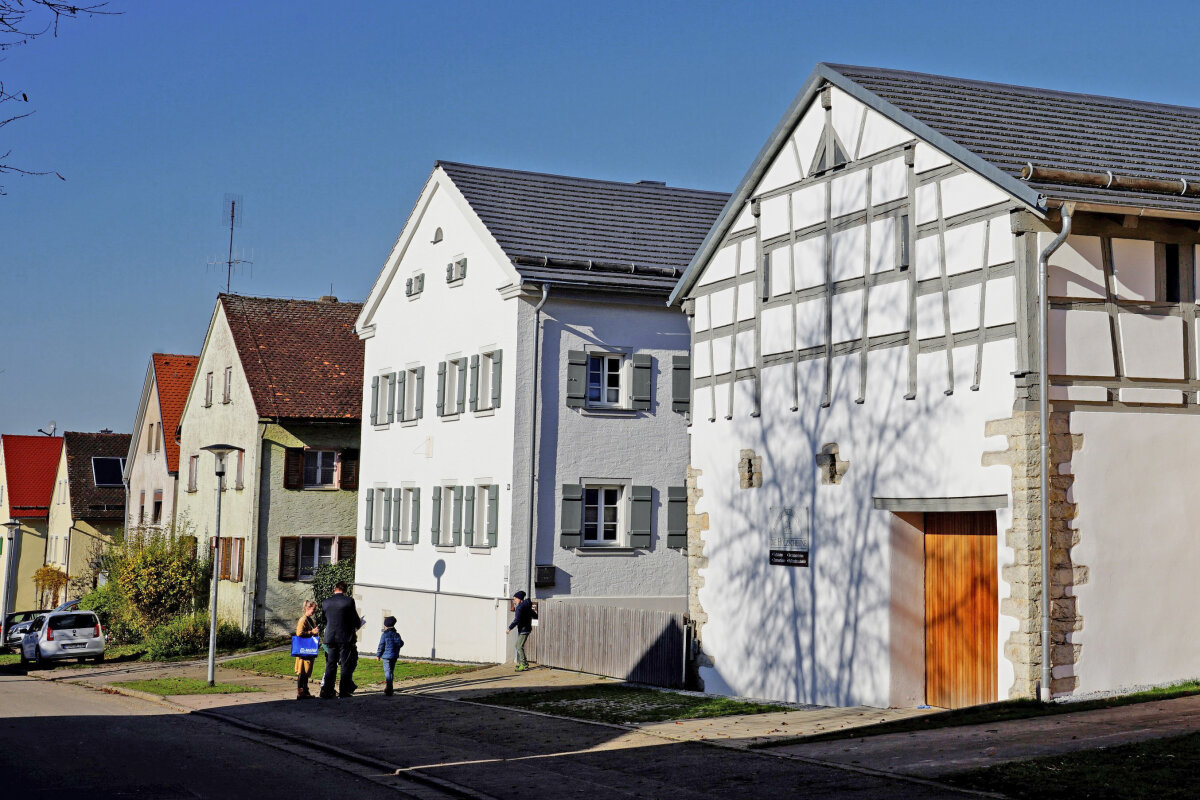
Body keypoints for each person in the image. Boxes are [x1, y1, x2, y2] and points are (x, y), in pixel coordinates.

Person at [320, 581, 361, 699]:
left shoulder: (326, 602)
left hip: (330, 637)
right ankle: (344, 691)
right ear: (345, 590)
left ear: (335, 588)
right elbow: (355, 620)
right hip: (345, 638)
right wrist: (356, 625)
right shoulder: (349, 601)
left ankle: (327, 691)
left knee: (330, 664)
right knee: (345, 664)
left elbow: (324, 620)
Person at [294, 599, 320, 700]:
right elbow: (299, 633)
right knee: (302, 671)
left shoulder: (310, 620)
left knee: (307, 671)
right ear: (307, 608)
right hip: (304, 649)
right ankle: (301, 692)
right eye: (313, 609)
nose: (314, 611)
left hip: (309, 649)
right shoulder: (303, 620)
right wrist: (311, 632)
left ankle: (305, 690)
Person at [506, 590, 536, 671]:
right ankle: (524, 662)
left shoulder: (520, 607)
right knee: (518, 646)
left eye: (515, 599)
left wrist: (509, 628)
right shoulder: (526, 606)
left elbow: (517, 620)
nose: (514, 601)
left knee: (518, 646)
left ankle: (524, 664)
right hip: (526, 628)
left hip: (523, 629)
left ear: (519, 598)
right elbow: (534, 615)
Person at [375, 615, 404, 696]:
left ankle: (389, 688)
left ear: (386, 625)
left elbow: (381, 645)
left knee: (388, 672)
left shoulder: (384, 635)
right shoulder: (396, 634)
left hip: (386, 656)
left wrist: (378, 655)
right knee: (391, 671)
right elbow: (400, 643)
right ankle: (389, 687)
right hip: (394, 655)